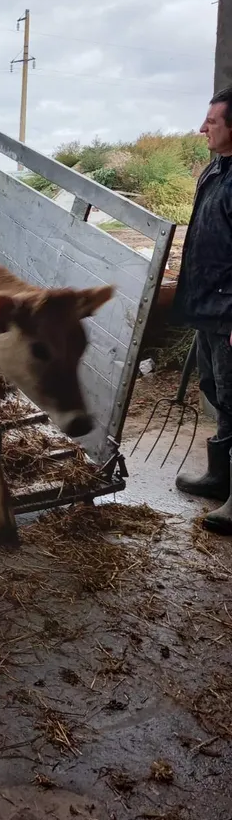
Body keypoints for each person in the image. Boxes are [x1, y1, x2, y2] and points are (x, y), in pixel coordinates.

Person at [173, 85, 232, 534]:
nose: (201, 128)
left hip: (229, 311)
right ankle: (220, 477)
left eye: (211, 121)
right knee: (217, 389)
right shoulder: (215, 171)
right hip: (208, 306)